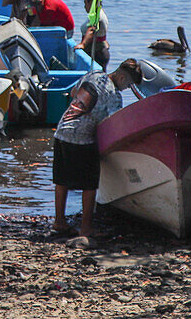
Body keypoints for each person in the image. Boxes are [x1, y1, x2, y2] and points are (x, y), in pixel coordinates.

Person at [52, 58, 140, 242]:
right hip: (83, 138)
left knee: (62, 180)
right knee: (89, 184)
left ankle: (59, 221)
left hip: (62, 130)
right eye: (129, 84)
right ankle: (86, 228)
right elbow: (113, 125)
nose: (127, 88)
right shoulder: (114, 95)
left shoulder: (94, 74)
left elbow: (74, 92)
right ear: (122, 77)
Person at [74, 0, 110, 68]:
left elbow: (91, 30)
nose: (84, 6)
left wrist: (82, 44)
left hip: (97, 53)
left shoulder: (96, 16)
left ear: (90, 3)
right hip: (101, 50)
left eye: (85, 3)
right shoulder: (100, 13)